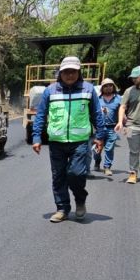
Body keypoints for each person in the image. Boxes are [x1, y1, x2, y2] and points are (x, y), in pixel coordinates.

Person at [33, 56, 99, 222]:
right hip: (56, 141)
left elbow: (96, 114)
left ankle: (80, 199)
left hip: (80, 141)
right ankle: (62, 208)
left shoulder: (88, 90)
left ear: (79, 72)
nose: (70, 75)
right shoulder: (51, 91)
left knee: (76, 173)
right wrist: (36, 137)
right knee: (58, 176)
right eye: (66, 72)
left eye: (73, 71)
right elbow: (41, 114)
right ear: (60, 73)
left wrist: (100, 136)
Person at [93, 78, 120, 176]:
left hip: (112, 128)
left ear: (113, 87)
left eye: (110, 85)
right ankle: (97, 161)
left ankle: (107, 167)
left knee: (109, 148)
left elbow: (122, 112)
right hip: (99, 128)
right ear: (102, 88)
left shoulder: (118, 99)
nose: (108, 87)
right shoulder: (97, 99)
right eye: (106, 86)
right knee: (97, 149)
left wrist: (123, 123)